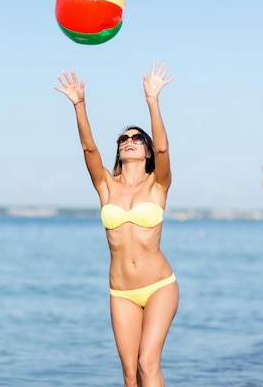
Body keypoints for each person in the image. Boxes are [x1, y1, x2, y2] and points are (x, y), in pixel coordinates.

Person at [54, 62, 179, 387]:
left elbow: (165, 147)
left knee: (147, 362)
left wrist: (153, 99)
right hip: (120, 290)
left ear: (148, 151)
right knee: (129, 374)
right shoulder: (106, 186)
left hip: (159, 287)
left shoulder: (158, 185)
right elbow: (89, 147)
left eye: (137, 138)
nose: (129, 140)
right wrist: (79, 105)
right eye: (123, 138)